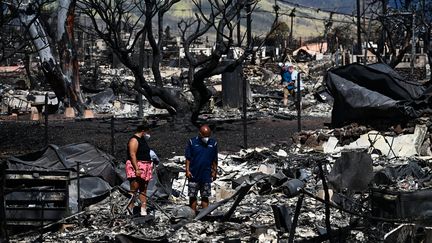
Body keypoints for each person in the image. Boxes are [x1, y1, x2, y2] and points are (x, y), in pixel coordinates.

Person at [185, 124, 218, 213]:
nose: (206, 138)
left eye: (208, 136)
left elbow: (214, 159)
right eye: (204, 136)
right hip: (194, 173)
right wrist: (187, 170)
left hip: (206, 174)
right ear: (200, 134)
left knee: (205, 195)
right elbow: (188, 158)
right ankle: (193, 213)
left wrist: (215, 171)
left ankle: (205, 213)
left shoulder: (213, 143)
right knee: (192, 195)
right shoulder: (192, 142)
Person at [125, 123, 153, 216]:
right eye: (147, 132)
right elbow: (133, 154)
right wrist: (136, 169)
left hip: (146, 165)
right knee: (134, 188)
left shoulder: (143, 140)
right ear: (143, 131)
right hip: (137, 165)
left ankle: (143, 209)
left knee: (143, 188)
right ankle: (130, 208)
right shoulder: (134, 140)